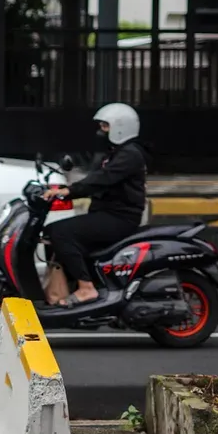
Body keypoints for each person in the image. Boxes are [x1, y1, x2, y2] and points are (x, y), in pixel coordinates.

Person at [41, 103, 148, 307]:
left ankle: (86, 288)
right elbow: (95, 179)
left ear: (120, 127)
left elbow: (102, 179)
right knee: (51, 232)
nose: (101, 131)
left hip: (119, 218)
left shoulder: (130, 154)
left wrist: (68, 191)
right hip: (107, 214)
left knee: (61, 233)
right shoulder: (116, 152)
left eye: (105, 126)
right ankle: (67, 287)